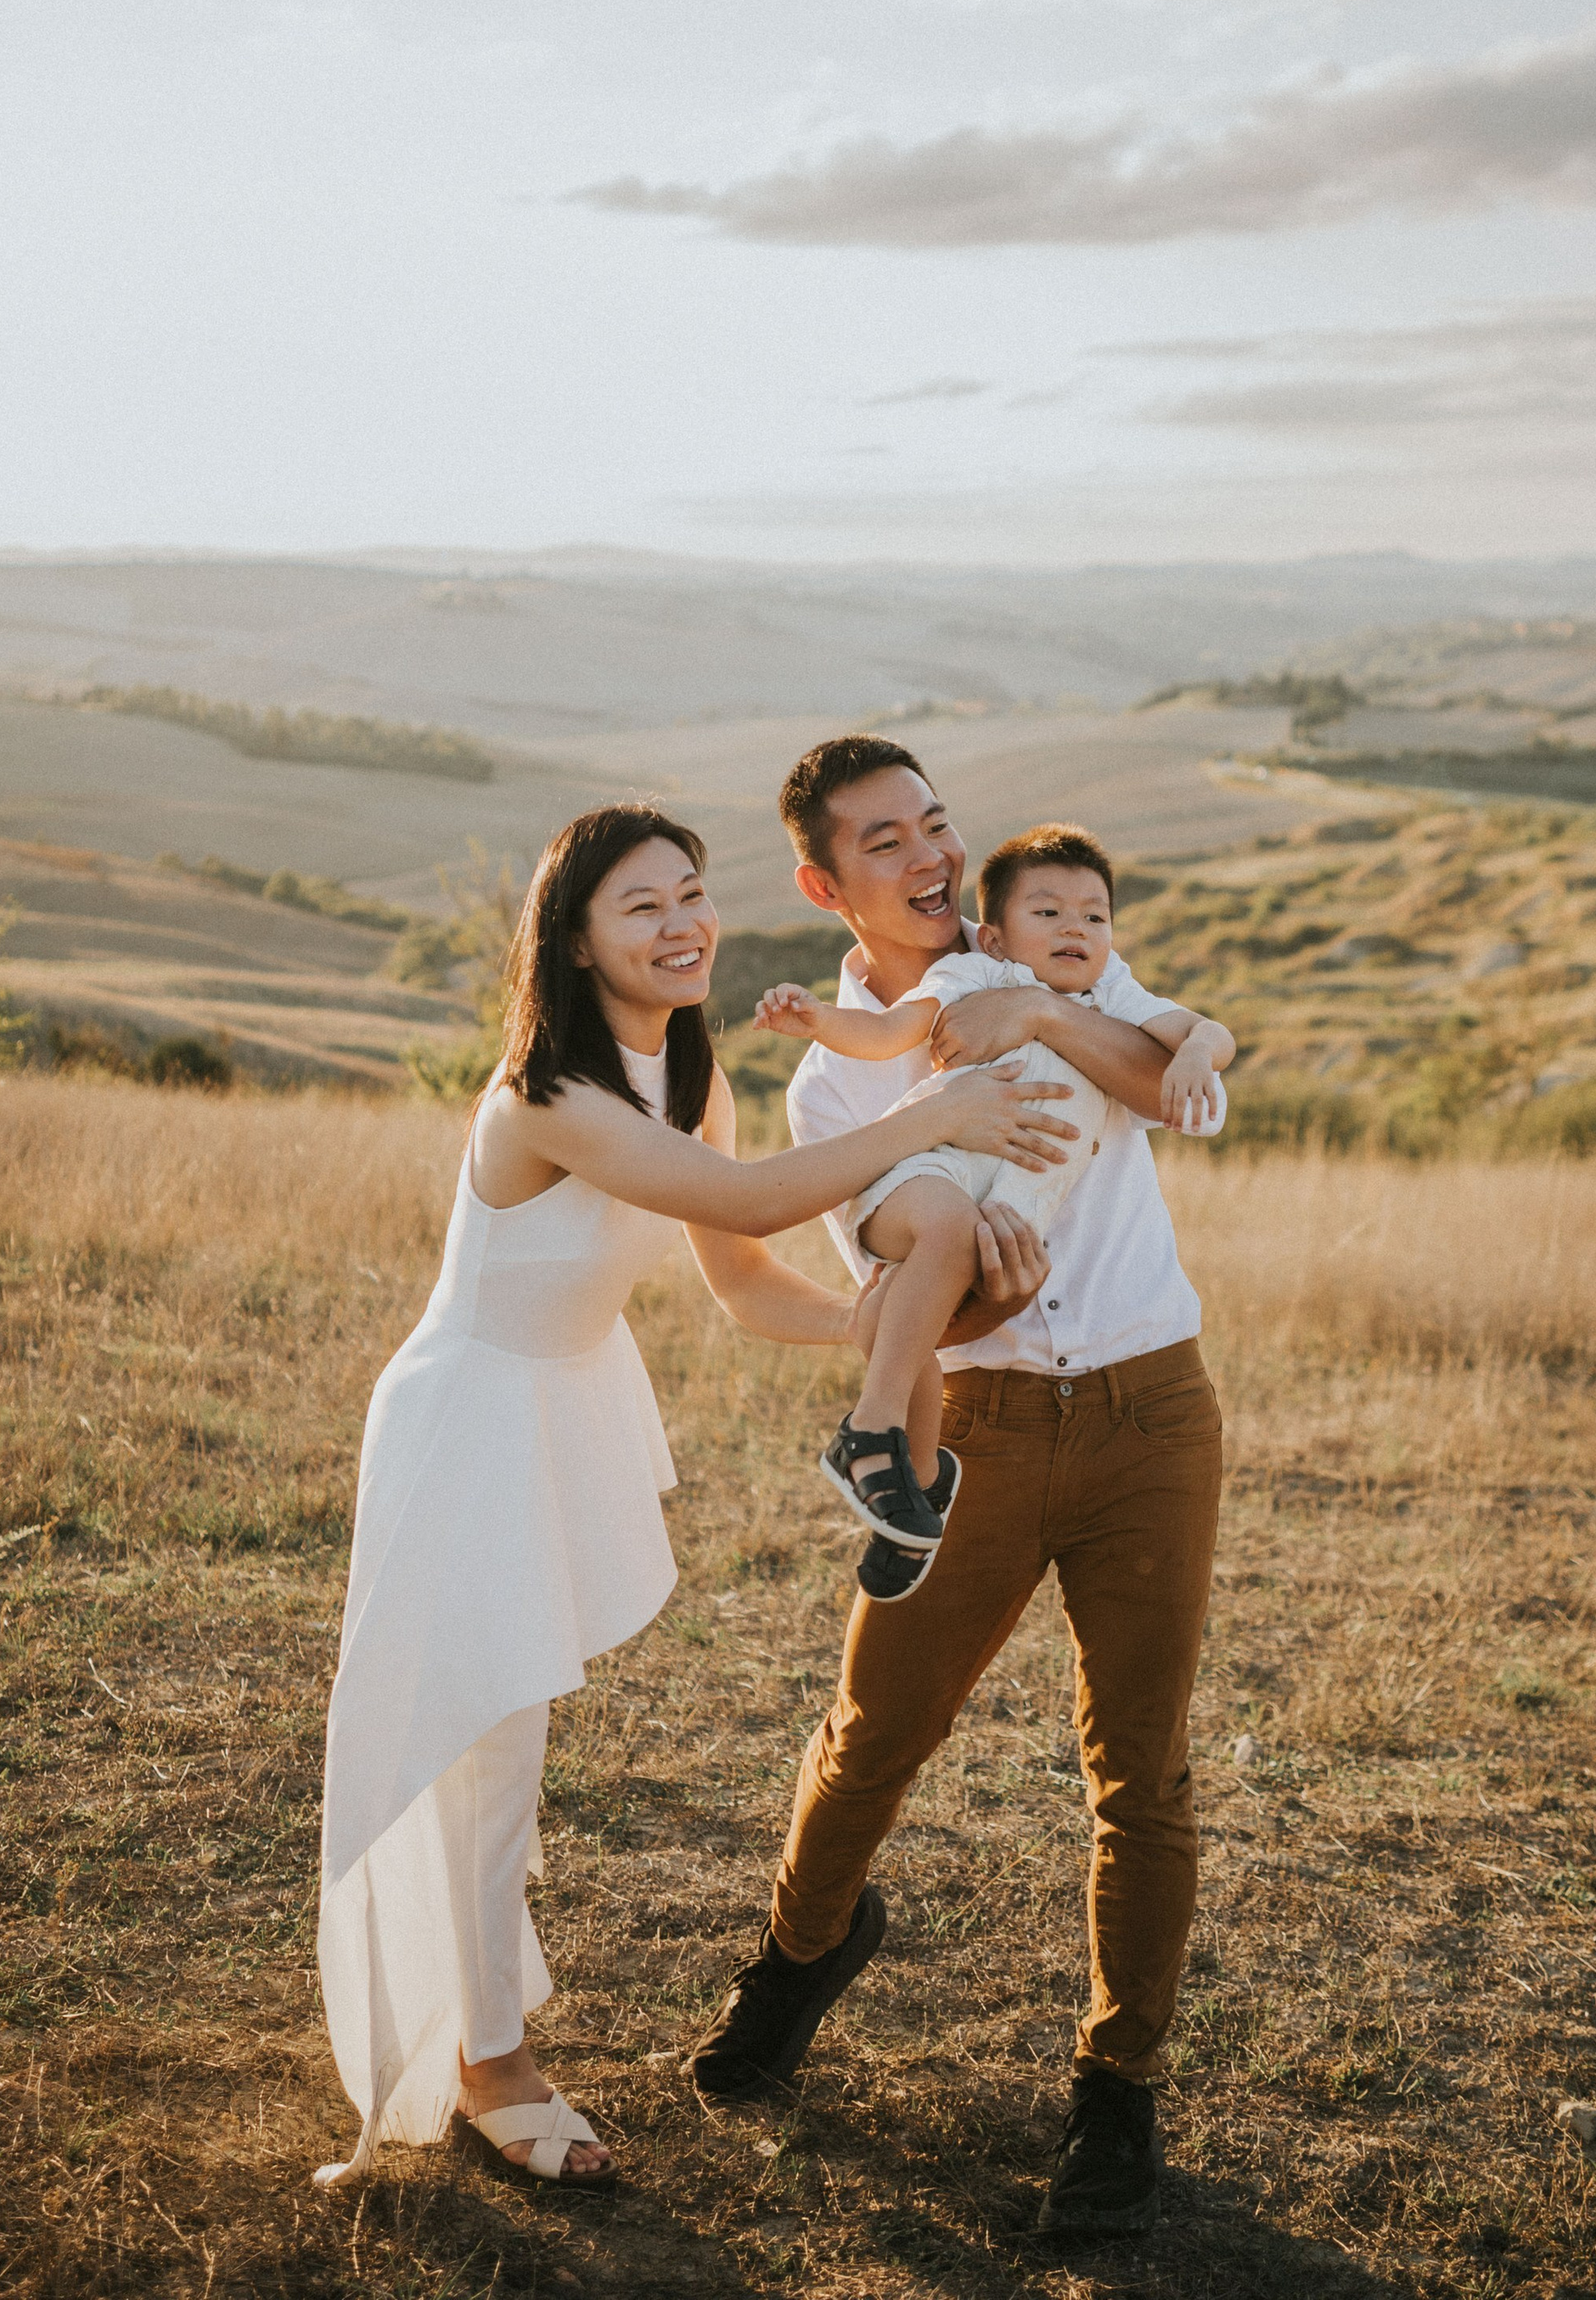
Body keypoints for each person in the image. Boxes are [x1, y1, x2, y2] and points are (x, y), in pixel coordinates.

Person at [312, 801, 1069, 2192]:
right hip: (470, 1417)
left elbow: (742, 1278)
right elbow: (764, 1194)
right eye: (643, 908)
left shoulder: (692, 1077)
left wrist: (894, 1317)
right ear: (577, 940)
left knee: (505, 1745)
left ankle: (482, 2040)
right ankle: (488, 2067)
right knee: (476, 1742)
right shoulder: (550, 1095)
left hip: (560, 1404)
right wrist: (937, 1109)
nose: (684, 926)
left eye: (692, 895)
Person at [690, 743, 1229, 2242]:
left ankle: (1117, 2094)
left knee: (1145, 1769)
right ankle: (801, 1952)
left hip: (1152, 1411)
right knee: (875, 1732)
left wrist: (1047, 1005)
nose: (929, 853)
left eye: (936, 821)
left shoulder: (1049, 950)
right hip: (976, 1431)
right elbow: (914, 1310)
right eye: (887, 839)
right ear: (826, 883)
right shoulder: (826, 1084)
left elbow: (1168, 1087)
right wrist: (982, 1285)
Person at [752, 822, 1231, 1589]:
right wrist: (815, 1020)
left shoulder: (1111, 995)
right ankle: (871, 1436)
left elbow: (1201, 1044)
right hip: (927, 1184)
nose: (1075, 927)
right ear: (1001, 939)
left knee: (901, 1300)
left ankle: (913, 1490)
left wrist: (1192, 1050)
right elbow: (886, 1033)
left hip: (1121, 1368)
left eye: (1095, 916)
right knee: (933, 1246)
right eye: (1049, 913)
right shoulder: (974, 980)